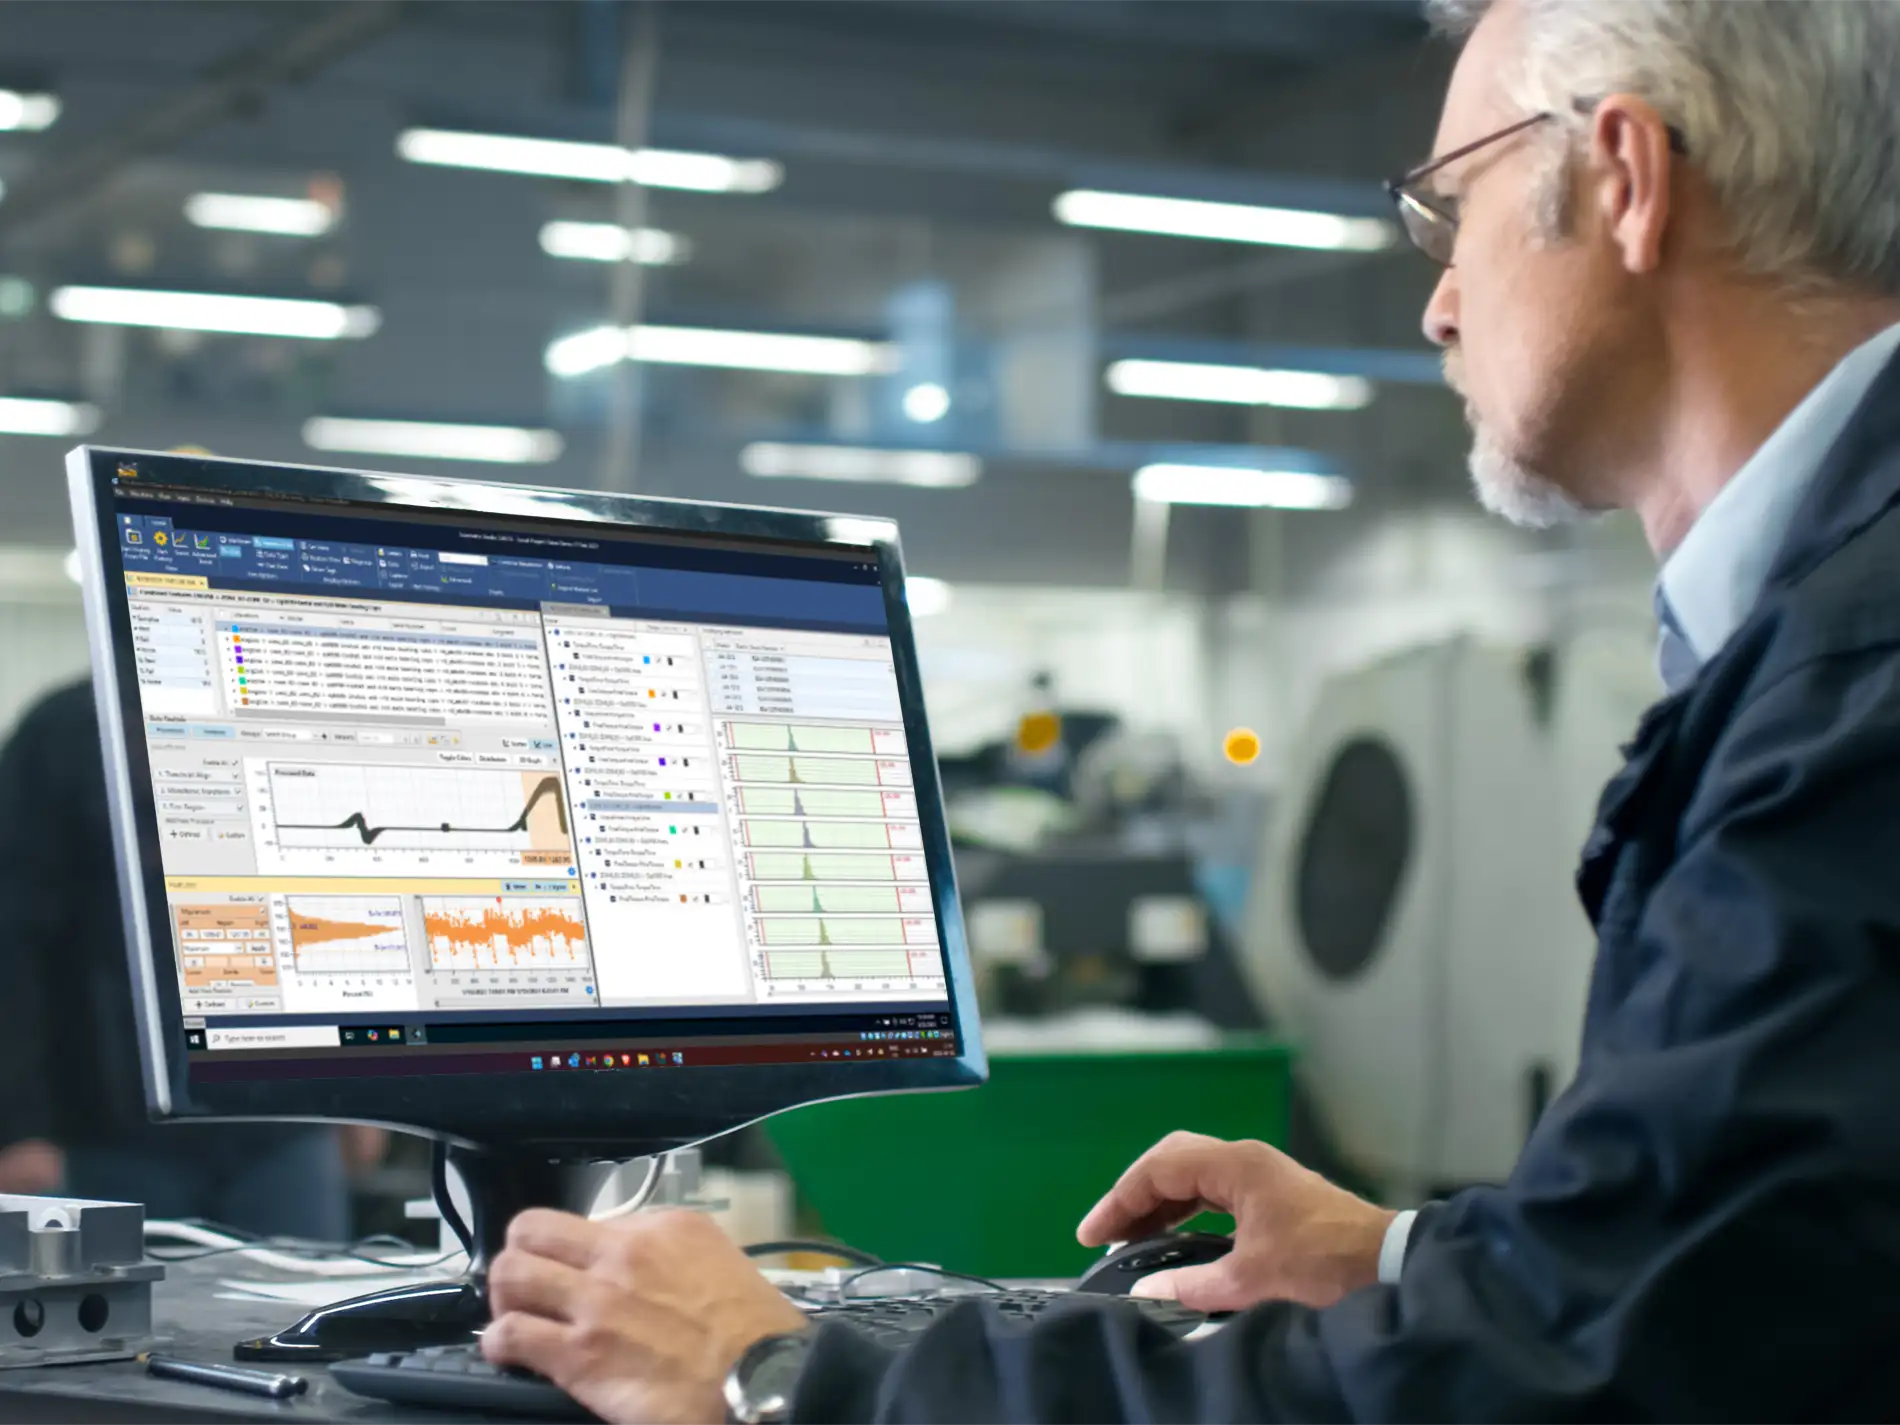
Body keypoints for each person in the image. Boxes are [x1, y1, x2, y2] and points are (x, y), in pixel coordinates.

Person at [476, 0, 1900, 1419]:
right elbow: (1747, 1278)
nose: (1439, 299)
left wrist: (776, 1376)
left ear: (1628, 182)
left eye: (1449, 210)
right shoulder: (1826, 645)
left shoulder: (1850, 703)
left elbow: (1553, 1392)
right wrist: (1394, 1252)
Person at [0, 680, 383, 1238]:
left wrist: (354, 1097)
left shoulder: (276, 720)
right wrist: (19, 1127)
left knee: (302, 1306)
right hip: (108, 1132)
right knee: (131, 1316)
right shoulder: (58, 736)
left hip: (280, 1129)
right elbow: (15, 948)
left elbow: (328, 915)